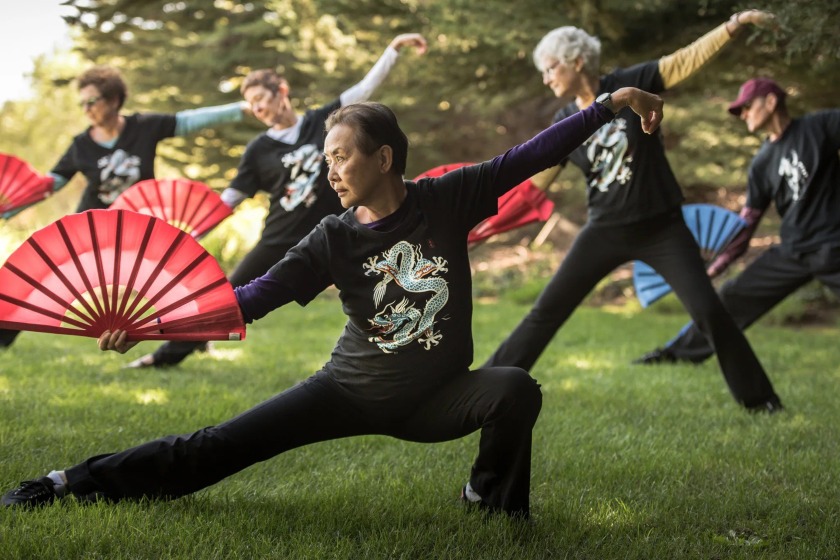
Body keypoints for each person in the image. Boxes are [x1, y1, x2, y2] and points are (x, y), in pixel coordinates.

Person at [1, 89, 665, 517]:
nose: (331, 171)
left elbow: (529, 154)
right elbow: (252, 297)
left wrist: (607, 104)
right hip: (347, 391)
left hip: (437, 399)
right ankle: (68, 482)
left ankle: (488, 501)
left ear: (383, 158)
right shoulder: (332, 236)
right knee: (215, 447)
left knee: (514, 388)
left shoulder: (447, 199)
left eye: (342, 158)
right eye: (326, 160)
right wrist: (153, 325)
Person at [481, 11, 784, 412]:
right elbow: (533, 185)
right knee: (546, 312)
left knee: (710, 311)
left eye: (550, 68)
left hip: (662, 229)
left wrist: (734, 24)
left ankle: (761, 401)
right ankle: (484, 390)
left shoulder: (630, 84)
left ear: (577, 62)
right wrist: (479, 222)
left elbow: (685, 59)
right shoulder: (565, 120)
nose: (546, 78)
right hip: (604, 231)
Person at [125, 33, 428, 369]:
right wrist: (189, 234)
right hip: (279, 238)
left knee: (385, 289)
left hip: (337, 233)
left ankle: (411, 353)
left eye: (261, 99)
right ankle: (164, 357)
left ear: (281, 91)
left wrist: (393, 49)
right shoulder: (259, 149)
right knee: (226, 298)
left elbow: (363, 90)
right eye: (252, 105)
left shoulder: (321, 124)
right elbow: (230, 200)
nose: (258, 109)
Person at [0, 64, 248, 349]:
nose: (86, 109)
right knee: (46, 272)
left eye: (92, 101)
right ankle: (3, 333)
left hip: (139, 227)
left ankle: (198, 337)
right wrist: (10, 208)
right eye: (82, 104)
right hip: (93, 227)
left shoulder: (144, 127)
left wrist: (240, 109)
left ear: (114, 100)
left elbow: (188, 120)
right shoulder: (81, 145)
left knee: (177, 273)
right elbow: (51, 183)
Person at [634, 77, 840, 366]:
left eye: (747, 107)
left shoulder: (820, 127)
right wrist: (717, 265)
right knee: (732, 297)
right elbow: (748, 223)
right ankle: (673, 355)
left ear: (771, 102)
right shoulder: (762, 163)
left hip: (834, 245)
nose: (743, 115)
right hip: (793, 251)